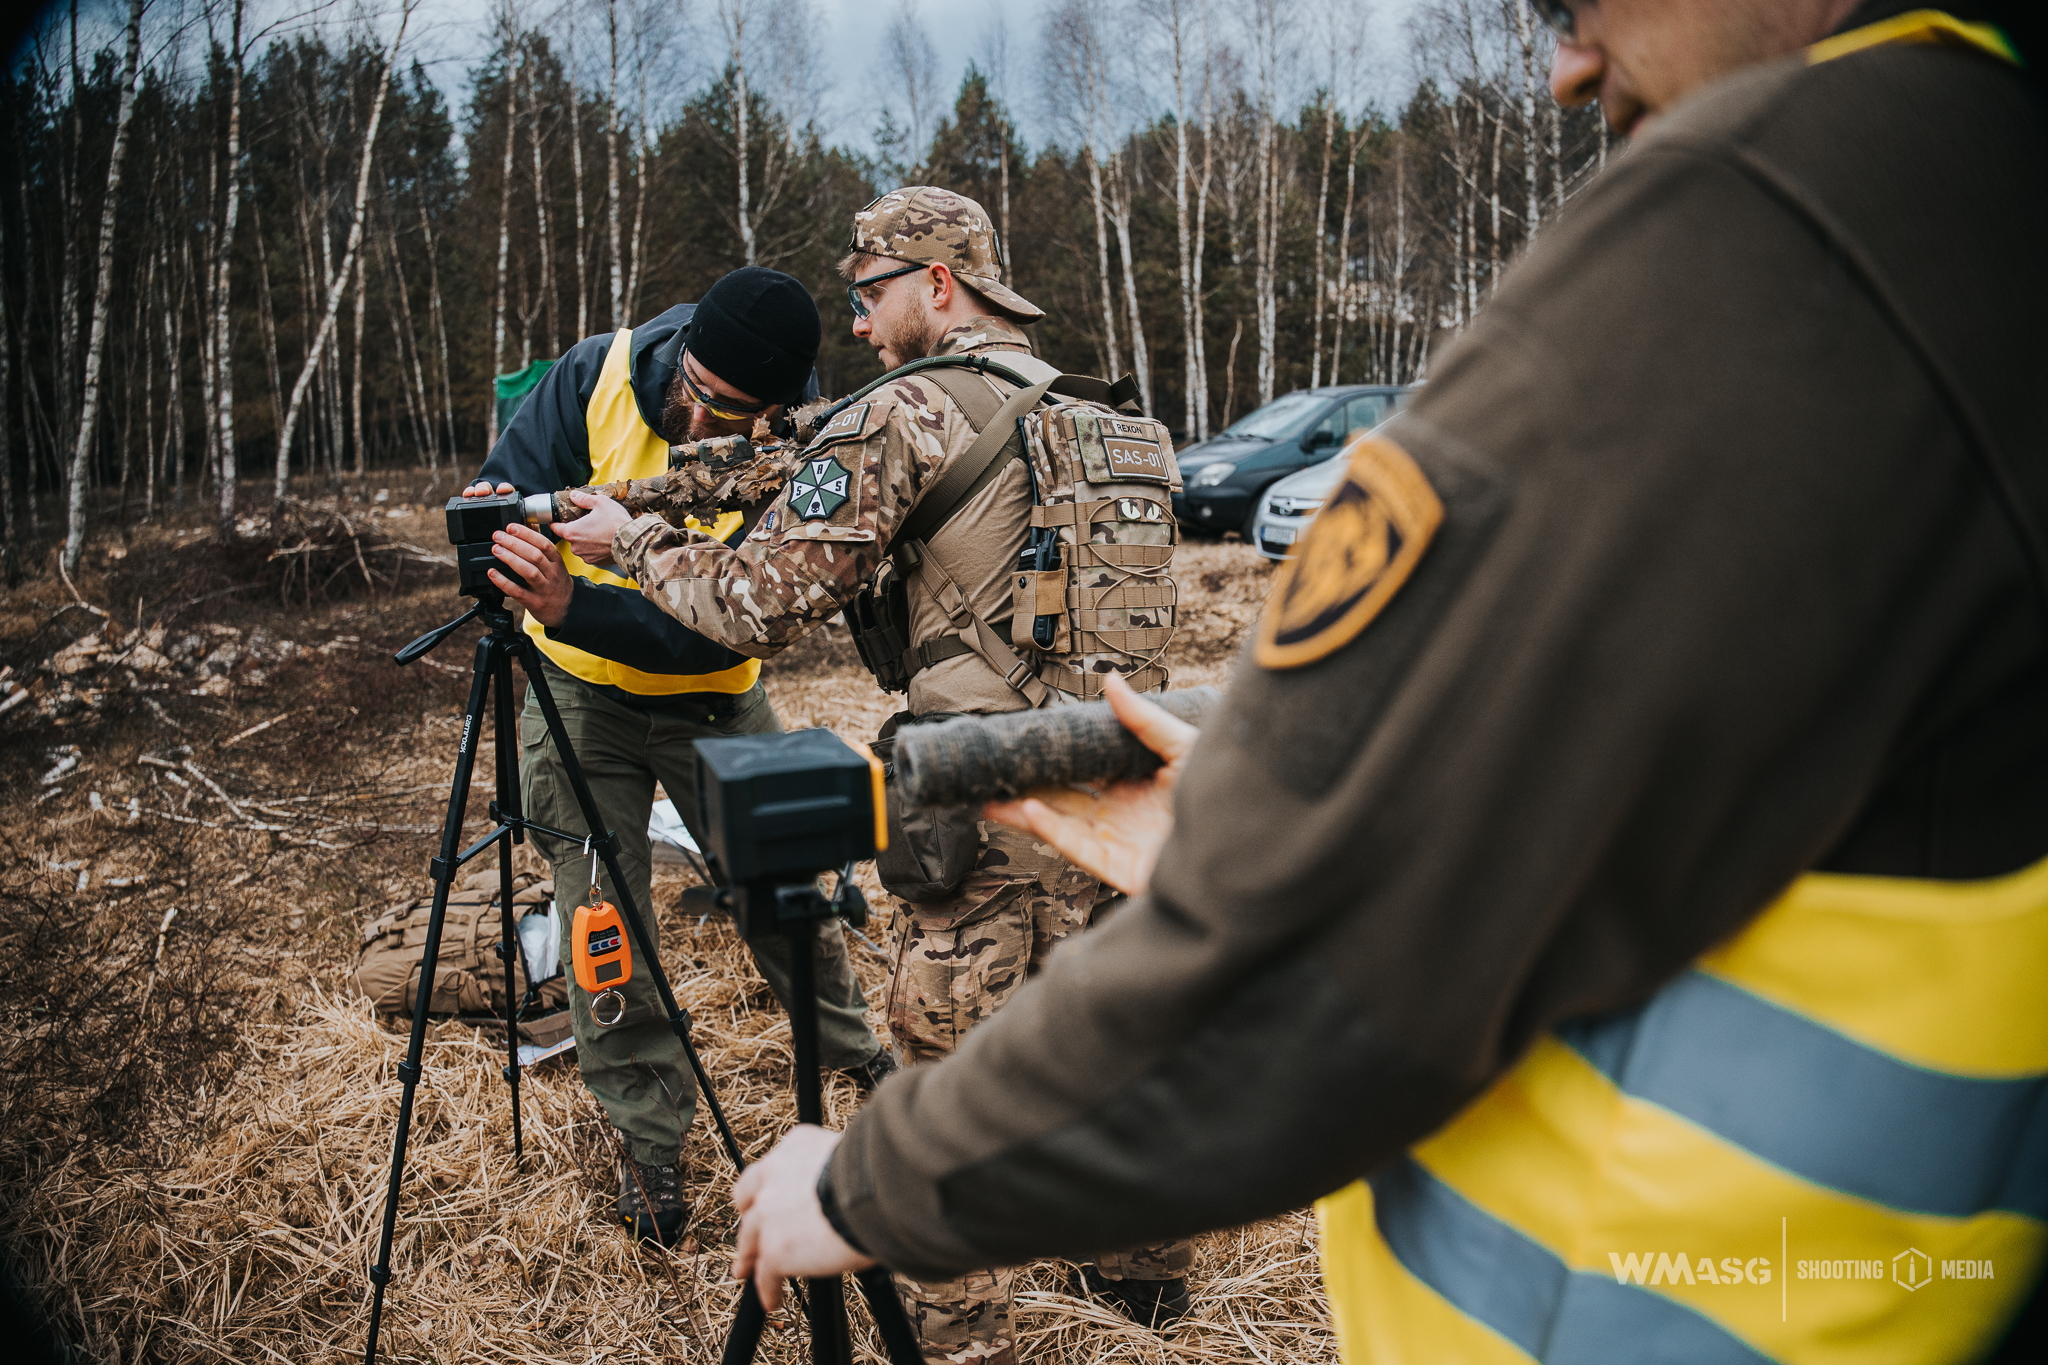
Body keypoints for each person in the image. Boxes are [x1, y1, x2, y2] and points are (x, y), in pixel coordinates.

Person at [722, 4, 2048, 1363]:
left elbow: (1314, 960)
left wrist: (875, 1178)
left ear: (938, 285)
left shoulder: (1763, 226)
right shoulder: (1982, 210)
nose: (1568, 62)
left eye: (1581, 4)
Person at [545, 186, 1195, 1362]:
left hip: (986, 800)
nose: (854, 326)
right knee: (1118, 1040)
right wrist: (643, 491)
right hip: (1120, 793)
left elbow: (753, 605)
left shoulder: (903, 415)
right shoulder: (1114, 422)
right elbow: (781, 467)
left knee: (941, 1085)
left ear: (935, 285)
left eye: (867, 295)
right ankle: (1142, 1283)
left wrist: (625, 544)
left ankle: (956, 1342)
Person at [463, 266, 894, 1250]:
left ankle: (851, 1050)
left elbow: (733, 630)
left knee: (783, 889)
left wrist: (578, 602)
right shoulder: (591, 377)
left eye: (726, 411)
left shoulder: (801, 446)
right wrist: (499, 532)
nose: (696, 415)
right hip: (578, 697)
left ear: (777, 409)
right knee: (601, 919)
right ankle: (648, 1134)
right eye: (692, 387)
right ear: (684, 343)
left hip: (717, 698)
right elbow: (506, 499)